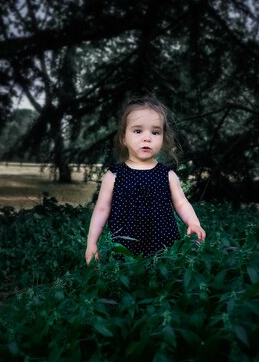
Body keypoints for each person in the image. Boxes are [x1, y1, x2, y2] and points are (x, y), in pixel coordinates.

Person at [85, 97, 206, 264]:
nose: (147, 138)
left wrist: (193, 222)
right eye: (138, 131)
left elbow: (181, 203)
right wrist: (92, 243)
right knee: (126, 281)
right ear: (123, 138)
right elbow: (101, 210)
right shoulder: (114, 175)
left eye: (155, 132)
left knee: (162, 277)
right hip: (124, 250)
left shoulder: (167, 174)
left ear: (163, 138)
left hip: (164, 248)